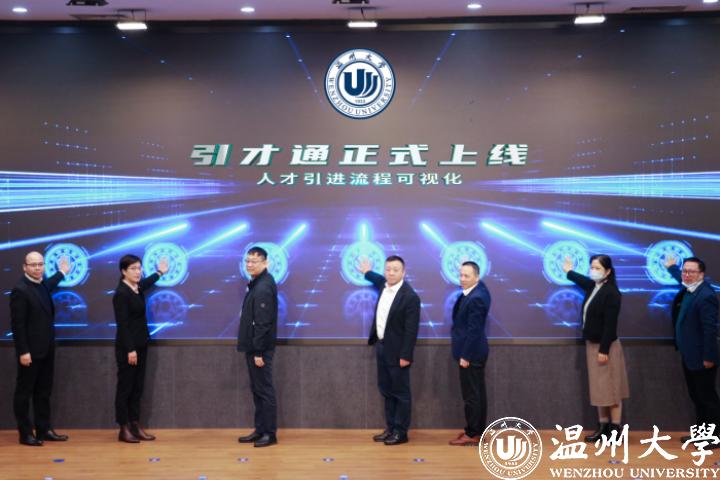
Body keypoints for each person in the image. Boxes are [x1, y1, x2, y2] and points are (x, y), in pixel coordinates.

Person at [563, 254, 629, 442]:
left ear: (608, 272)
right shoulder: (594, 286)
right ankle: (603, 426)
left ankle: (615, 429)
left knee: (612, 389)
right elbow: (581, 280)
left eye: (597, 268)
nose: (593, 271)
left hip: (606, 347)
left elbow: (610, 325)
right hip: (592, 345)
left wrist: (604, 350)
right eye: (592, 267)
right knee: (599, 388)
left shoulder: (612, 293)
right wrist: (569, 271)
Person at [358, 255, 420, 445]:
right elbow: (377, 278)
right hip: (382, 347)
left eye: (395, 270)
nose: (391, 273)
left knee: (401, 393)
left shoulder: (410, 297)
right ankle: (391, 428)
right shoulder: (383, 285)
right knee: (386, 390)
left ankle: (401, 432)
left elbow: (411, 331)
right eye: (388, 269)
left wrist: (406, 355)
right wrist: (367, 272)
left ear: (403, 272)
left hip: (398, 353)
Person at [10, 251, 71, 446]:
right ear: (25, 267)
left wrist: (62, 272)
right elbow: (18, 325)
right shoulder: (20, 290)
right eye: (33, 265)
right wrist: (23, 351)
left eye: (40, 264)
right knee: (24, 394)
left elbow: (49, 284)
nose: (37, 268)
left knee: (43, 392)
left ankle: (44, 430)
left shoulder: (41, 284)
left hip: (46, 349)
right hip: (29, 353)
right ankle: (25, 434)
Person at [665, 254, 720, 445]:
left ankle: (714, 437)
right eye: (684, 271)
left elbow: (710, 330)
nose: (686, 275)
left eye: (691, 272)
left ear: (701, 274)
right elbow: (681, 278)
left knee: (707, 398)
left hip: (702, 357)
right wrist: (672, 268)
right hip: (690, 355)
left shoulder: (706, 296)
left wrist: (709, 357)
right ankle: (700, 434)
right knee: (696, 396)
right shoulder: (691, 289)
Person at [113, 254, 168, 443]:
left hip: (141, 345)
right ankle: (123, 428)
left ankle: (135, 425)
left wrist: (159, 272)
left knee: (137, 388)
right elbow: (122, 324)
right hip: (128, 349)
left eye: (139, 268)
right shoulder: (121, 294)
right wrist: (130, 349)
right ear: (123, 271)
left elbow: (145, 282)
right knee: (125, 389)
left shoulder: (136, 288)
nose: (138, 272)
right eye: (133, 269)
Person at [237, 246, 279, 448]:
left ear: (265, 263)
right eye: (247, 261)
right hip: (254, 347)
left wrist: (259, 351)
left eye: (254, 261)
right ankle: (260, 429)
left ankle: (269, 434)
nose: (250, 264)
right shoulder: (257, 283)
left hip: (259, 349)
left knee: (264, 391)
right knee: (258, 390)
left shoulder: (263, 287)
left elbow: (263, 323)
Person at [448, 261, 492, 446]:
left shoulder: (477, 297)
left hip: (471, 354)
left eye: (467, 276)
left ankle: (473, 433)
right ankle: (476, 430)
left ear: (477, 277)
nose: (462, 279)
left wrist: (465, 355)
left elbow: (474, 330)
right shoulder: (476, 291)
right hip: (474, 352)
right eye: (461, 275)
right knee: (477, 393)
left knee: (472, 396)